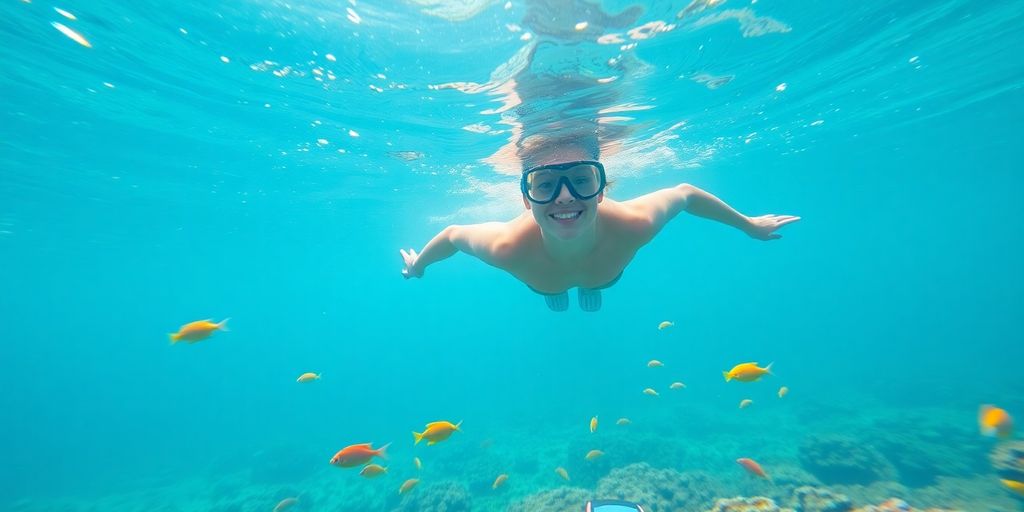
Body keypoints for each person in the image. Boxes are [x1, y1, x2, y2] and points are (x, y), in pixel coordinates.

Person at [399, 141, 800, 312]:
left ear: (602, 190)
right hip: (545, 280)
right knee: (555, 291)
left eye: (581, 180)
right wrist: (419, 265)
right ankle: (561, 293)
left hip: (600, 274)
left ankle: (586, 288)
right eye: (545, 186)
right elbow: (452, 235)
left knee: (592, 284)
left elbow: (686, 194)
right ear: (526, 200)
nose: (564, 196)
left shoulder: (634, 224)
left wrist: (749, 226)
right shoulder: (507, 246)